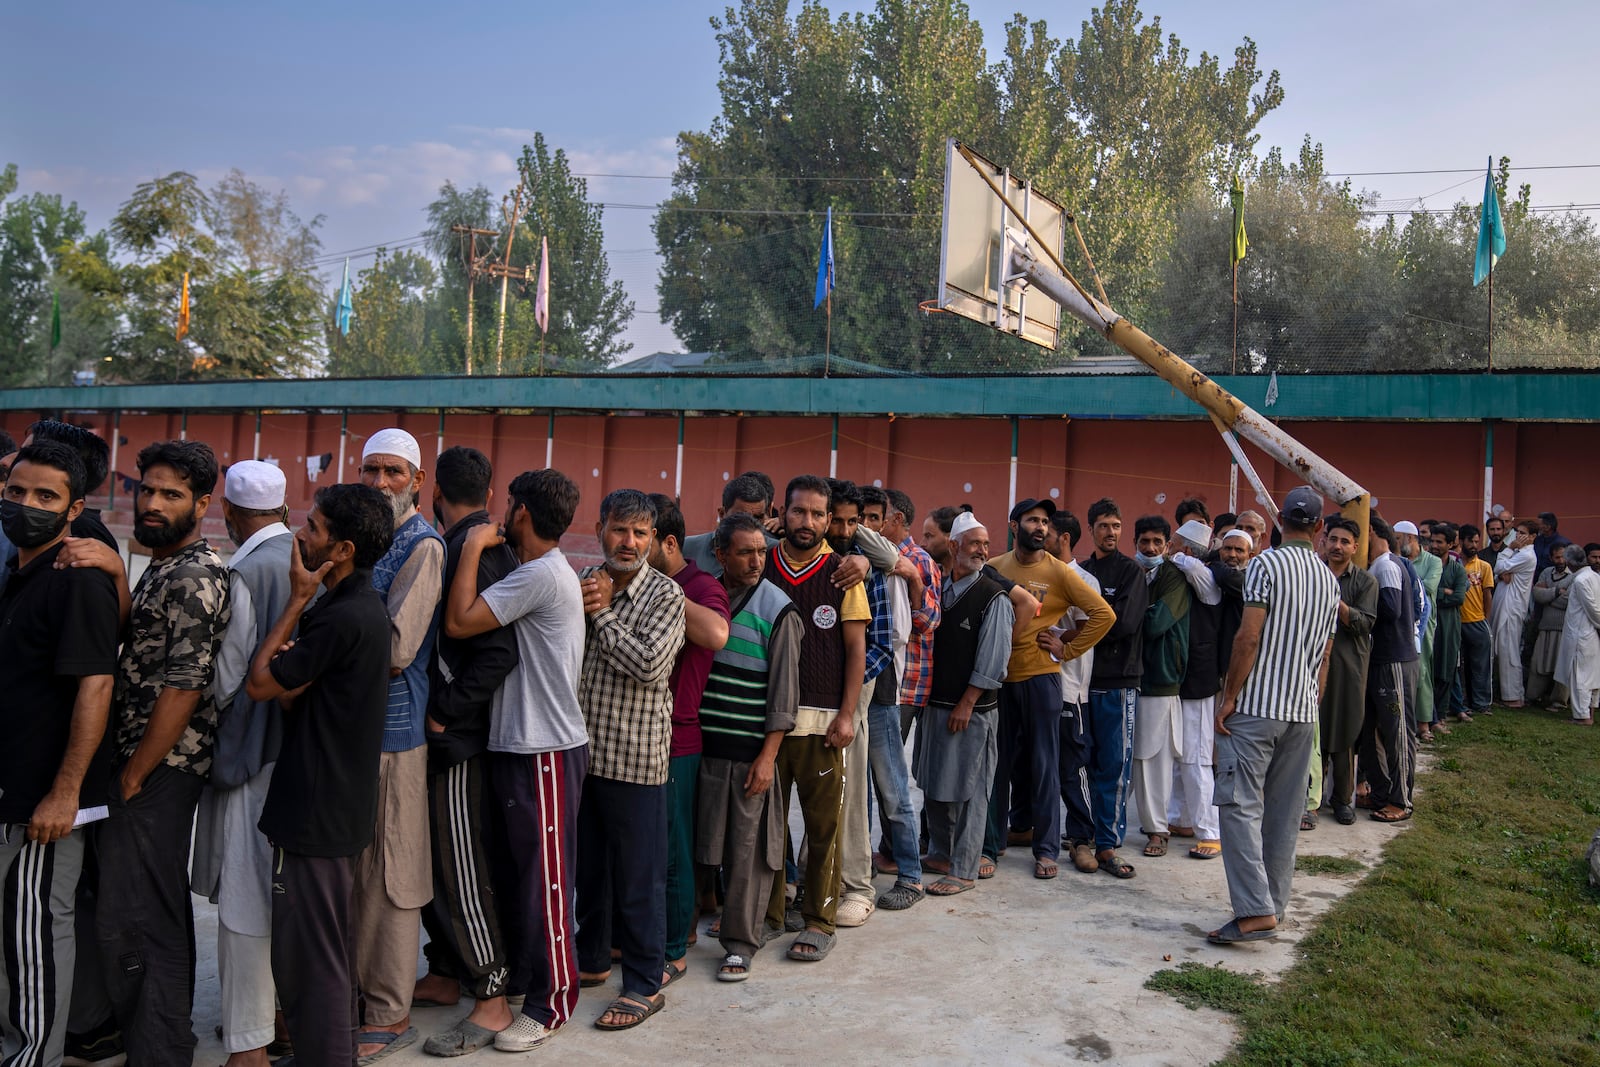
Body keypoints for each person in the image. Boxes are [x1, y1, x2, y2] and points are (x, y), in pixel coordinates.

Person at [246, 483, 395, 1067]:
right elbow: (292, 696)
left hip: (317, 810)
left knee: (316, 957)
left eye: (312, 529)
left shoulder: (342, 615)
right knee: (313, 950)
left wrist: (292, 603)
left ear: (342, 549)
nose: (299, 537)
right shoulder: (347, 607)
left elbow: (262, 685)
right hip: (329, 804)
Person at [442, 468, 588, 1053]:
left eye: (507, 508)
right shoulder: (542, 574)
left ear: (521, 513)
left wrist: (473, 545)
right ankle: (531, 985)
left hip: (545, 750)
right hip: (521, 746)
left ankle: (554, 1003)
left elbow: (458, 621)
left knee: (547, 884)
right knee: (523, 882)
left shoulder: (540, 576)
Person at [97, 440, 231, 1067]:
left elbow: (185, 686)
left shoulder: (194, 576)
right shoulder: (163, 564)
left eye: (170, 494)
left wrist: (133, 773)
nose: (152, 503)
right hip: (147, 767)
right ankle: (161, 1040)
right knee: (152, 904)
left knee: (139, 916)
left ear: (202, 504)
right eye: (146, 489)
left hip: (160, 771)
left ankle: (160, 1051)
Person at [0, 441, 120, 1067]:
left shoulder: (78, 582)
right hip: (11, 791)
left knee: (35, 937)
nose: (27, 506)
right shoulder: (20, 574)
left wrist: (66, 792)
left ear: (75, 509)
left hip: (42, 804)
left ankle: (31, 1058)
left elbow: (96, 685)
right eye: (17, 492)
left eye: (45, 497)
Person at [412, 447, 521, 1057]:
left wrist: (445, 712)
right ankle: (448, 971)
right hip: (443, 738)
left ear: (434, 492)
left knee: (462, 870)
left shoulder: (476, 552)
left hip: (459, 743)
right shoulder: (455, 543)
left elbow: (499, 653)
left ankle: (493, 997)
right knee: (432, 868)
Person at [189, 461, 297, 1067]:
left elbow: (227, 680)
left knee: (244, 901)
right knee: (279, 894)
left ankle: (248, 1043)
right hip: (298, 753)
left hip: (250, 753)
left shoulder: (242, 570)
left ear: (226, 512)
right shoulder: (308, 560)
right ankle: (279, 1019)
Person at [573, 489, 686, 1031]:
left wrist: (602, 617)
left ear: (654, 539)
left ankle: (644, 982)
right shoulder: (584, 582)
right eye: (621, 530)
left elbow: (648, 665)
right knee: (588, 872)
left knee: (640, 880)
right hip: (582, 753)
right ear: (602, 529)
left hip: (637, 758)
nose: (630, 542)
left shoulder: (666, 595)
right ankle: (592, 962)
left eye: (641, 533)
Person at [1208, 486, 1338, 945]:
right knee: (1283, 814)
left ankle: (1254, 910)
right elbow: (1325, 654)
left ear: (1279, 520)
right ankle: (1273, 907)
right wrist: (1312, 700)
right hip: (1302, 710)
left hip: (1257, 707)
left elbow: (1248, 637)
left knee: (1239, 806)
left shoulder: (1265, 564)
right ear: (1320, 528)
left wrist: (1229, 696)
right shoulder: (1329, 578)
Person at [355, 428, 445, 1063]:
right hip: (352, 735)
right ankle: (358, 999)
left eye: (392, 471)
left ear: (418, 480)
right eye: (370, 470)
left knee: (392, 875)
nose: (380, 482)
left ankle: (389, 1013)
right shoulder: (364, 539)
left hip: (395, 734)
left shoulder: (423, 545)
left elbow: (395, 649)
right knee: (355, 872)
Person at [763, 475, 867, 964]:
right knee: (768, 826)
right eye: (799, 512)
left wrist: (847, 714)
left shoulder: (842, 572)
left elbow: (855, 649)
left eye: (818, 514)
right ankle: (768, 913)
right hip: (768, 723)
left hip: (824, 722)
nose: (808, 522)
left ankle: (821, 919)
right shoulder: (760, 563)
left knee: (824, 827)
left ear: (830, 520)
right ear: (782, 513)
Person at [695, 512, 802, 981]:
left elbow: (783, 697)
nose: (757, 560)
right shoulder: (704, 598)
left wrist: (767, 758)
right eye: (745, 552)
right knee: (698, 846)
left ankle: (740, 943)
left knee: (747, 855)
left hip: (748, 755)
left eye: (762, 551)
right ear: (721, 555)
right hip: (701, 749)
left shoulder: (778, 608)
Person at [988, 498, 1113, 880]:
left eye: (1045, 522)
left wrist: (1067, 648)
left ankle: (1045, 851)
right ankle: (990, 847)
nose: (1040, 527)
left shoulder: (1058, 573)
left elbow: (1104, 615)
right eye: (1032, 520)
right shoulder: (995, 568)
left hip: (1042, 679)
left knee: (1045, 766)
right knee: (997, 765)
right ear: (1014, 525)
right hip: (1000, 681)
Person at [645, 493, 731, 986]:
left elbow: (716, 633)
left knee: (672, 850)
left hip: (677, 738)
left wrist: (652, 587)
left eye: (642, 536)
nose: (630, 546)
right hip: (628, 735)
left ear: (669, 542)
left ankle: (675, 947)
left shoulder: (699, 586)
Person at [919, 513, 1014, 896]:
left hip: (971, 712)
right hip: (936, 705)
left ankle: (964, 869)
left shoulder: (993, 595)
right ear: (955, 546)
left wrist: (968, 702)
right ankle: (941, 854)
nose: (983, 551)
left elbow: (994, 659)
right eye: (975, 543)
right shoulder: (939, 589)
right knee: (935, 785)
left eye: (986, 545)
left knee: (972, 792)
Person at [1079, 497, 1151, 880]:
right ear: (1090, 528)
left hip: (1120, 684)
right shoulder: (1083, 571)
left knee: (1114, 766)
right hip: (1084, 681)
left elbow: (1123, 624)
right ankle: (1085, 835)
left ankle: (1109, 843)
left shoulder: (1130, 573)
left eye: (1116, 526)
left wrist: (1084, 630)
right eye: (1104, 525)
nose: (1111, 532)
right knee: (1085, 763)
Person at [874, 488, 940, 872]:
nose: (873, 526)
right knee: (885, 776)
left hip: (905, 685)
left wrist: (914, 581)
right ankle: (889, 849)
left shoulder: (917, 560)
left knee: (892, 777)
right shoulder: (883, 558)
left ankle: (903, 857)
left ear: (897, 520)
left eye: (878, 517)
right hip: (889, 683)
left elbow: (929, 621)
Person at [1130, 515, 1192, 860]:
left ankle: (1157, 830)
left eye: (1157, 542)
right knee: (1126, 759)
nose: (1150, 548)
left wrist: (1132, 609)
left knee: (1154, 760)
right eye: (1144, 542)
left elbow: (1156, 623)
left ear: (1168, 546)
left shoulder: (1174, 578)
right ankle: (1103, 829)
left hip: (1162, 679)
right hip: (1131, 677)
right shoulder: (1132, 572)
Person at [1169, 518, 1229, 860]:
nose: (1168, 551)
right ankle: (1182, 819)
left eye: (1174, 544)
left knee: (1196, 757)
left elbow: (1189, 564)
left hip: (1199, 679)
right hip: (1184, 677)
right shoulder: (1194, 574)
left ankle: (1210, 831)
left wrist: (1172, 556)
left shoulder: (1206, 578)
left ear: (1189, 549)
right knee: (1181, 755)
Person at [1315, 518, 1377, 825]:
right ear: (1324, 541)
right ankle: (1310, 800)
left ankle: (1342, 799)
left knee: (1345, 730)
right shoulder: (1311, 574)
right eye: (1333, 539)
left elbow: (1365, 623)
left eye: (1345, 542)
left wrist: (1335, 601)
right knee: (1313, 730)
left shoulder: (1365, 582)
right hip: (1312, 664)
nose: (1337, 546)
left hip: (1348, 665)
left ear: (1355, 547)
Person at [1051, 511, 1103, 873]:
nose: (1040, 534)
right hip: (1038, 684)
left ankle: (1082, 837)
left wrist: (1056, 639)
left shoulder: (1084, 580)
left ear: (1065, 538)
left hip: (1071, 688)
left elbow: (1090, 629)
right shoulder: (1039, 575)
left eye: (1048, 531)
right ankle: (1029, 828)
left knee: (1073, 766)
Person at [1361, 515, 1418, 824]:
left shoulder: (1386, 565)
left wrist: (1354, 611)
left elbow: (1391, 609)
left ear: (1371, 531)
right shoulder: (1380, 565)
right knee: (1370, 731)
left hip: (1393, 661)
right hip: (1378, 660)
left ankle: (1401, 800)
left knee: (1397, 733)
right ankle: (1382, 792)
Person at [1398, 520, 1442, 741]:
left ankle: (1424, 724)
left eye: (1398, 538)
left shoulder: (1433, 561)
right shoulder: (1398, 559)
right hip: (1401, 619)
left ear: (1411, 539)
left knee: (1422, 669)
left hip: (1424, 622)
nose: (1395, 543)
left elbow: (1429, 587)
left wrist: (1407, 580)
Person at [681, 473, 774, 577]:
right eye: (741, 518)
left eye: (758, 517)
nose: (750, 525)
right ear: (722, 514)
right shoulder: (687, 548)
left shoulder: (776, 552)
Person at [1491, 519, 1537, 707]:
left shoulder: (1527, 556)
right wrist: (1502, 572)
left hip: (1512, 607)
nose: (1518, 536)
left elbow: (1499, 567)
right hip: (1504, 604)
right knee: (1501, 648)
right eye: (1517, 532)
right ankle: (1506, 693)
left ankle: (1513, 697)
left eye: (1523, 533)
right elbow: (1499, 573)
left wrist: (1508, 550)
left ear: (1533, 537)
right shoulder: (1519, 554)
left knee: (1508, 650)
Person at [1452, 524, 1495, 722]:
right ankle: (1461, 703)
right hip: (1457, 622)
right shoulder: (1454, 565)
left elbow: (1487, 595)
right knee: (1458, 666)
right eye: (1471, 541)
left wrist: (1486, 619)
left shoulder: (1484, 567)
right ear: (1462, 541)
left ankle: (1482, 703)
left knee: (1480, 665)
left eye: (1477, 541)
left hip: (1477, 621)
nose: (1475, 545)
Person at [1555, 544, 1600, 725]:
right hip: (1589, 633)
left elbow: (1593, 609)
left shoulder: (1582, 581)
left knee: (1580, 675)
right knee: (1591, 674)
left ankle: (1582, 716)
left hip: (1583, 633)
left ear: (1571, 562)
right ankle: (1589, 712)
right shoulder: (1593, 576)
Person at [1429, 524, 1468, 734]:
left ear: (1450, 544)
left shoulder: (1457, 570)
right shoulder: (1426, 564)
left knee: (1446, 669)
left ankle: (1441, 714)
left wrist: (1438, 594)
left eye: (1439, 542)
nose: (1434, 546)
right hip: (1429, 623)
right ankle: (1428, 716)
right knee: (1428, 670)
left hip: (1449, 625)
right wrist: (1442, 592)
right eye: (1432, 541)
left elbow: (1459, 597)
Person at [1528, 548, 1578, 707]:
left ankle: (1559, 701)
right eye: (1557, 557)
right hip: (1545, 625)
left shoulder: (1574, 576)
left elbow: (1569, 601)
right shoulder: (1546, 572)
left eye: (1563, 557)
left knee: (1562, 665)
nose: (1561, 561)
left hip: (1565, 628)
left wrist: (1547, 595)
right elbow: (1536, 594)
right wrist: (1556, 591)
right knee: (1539, 663)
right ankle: (1533, 696)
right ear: (1551, 558)